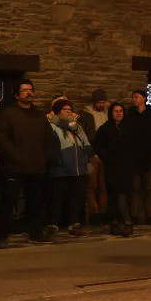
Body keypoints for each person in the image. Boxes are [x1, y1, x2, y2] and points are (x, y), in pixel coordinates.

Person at [0, 80, 56, 248]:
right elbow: (0, 137)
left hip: (36, 166)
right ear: (16, 94)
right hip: (14, 166)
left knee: (35, 201)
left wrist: (46, 156)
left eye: (30, 89)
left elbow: (49, 138)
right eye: (25, 90)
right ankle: (0, 236)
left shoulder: (39, 115)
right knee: (8, 202)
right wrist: (14, 154)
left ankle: (35, 233)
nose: (29, 92)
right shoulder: (8, 114)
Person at [47, 99, 93, 237]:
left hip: (77, 168)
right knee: (57, 198)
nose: (68, 111)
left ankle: (74, 224)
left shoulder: (77, 127)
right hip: (60, 168)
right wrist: (57, 160)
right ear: (57, 112)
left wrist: (88, 156)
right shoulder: (52, 126)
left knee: (75, 198)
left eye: (69, 109)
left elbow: (85, 142)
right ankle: (53, 225)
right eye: (64, 109)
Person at [95, 102, 134, 236]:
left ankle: (126, 220)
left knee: (123, 194)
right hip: (112, 167)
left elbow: (135, 146)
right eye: (115, 111)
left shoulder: (129, 128)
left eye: (120, 111)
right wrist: (107, 157)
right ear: (111, 113)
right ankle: (116, 222)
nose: (118, 113)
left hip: (126, 167)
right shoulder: (105, 129)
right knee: (114, 195)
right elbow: (97, 145)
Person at [126, 89, 151, 225]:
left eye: (136, 97)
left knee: (149, 188)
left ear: (143, 98)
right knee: (135, 188)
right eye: (133, 97)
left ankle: (150, 214)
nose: (134, 99)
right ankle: (134, 214)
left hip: (150, 157)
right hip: (135, 158)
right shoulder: (130, 116)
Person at [78, 89, 109, 225]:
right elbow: (83, 135)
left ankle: (103, 212)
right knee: (92, 185)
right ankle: (94, 212)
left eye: (103, 102)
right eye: (99, 102)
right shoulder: (86, 115)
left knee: (103, 185)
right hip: (92, 154)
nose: (101, 105)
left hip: (105, 155)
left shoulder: (107, 114)